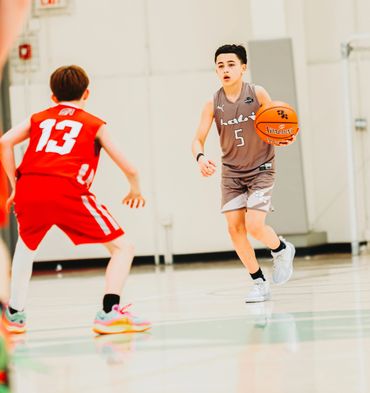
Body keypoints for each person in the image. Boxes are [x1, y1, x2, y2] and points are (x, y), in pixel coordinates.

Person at [0, 65, 150, 334]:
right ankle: (109, 313)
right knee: (123, 248)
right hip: (66, 188)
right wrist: (134, 188)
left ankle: (14, 314)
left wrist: (14, 185)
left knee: (26, 246)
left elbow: (5, 141)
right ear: (87, 94)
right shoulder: (94, 124)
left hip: (29, 187)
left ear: (53, 98)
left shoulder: (39, 118)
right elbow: (131, 168)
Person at [191, 44, 295, 303]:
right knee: (234, 229)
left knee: (254, 225)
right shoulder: (212, 103)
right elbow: (197, 139)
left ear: (243, 67)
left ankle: (281, 249)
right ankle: (259, 282)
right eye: (220, 66)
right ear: (216, 70)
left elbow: (279, 124)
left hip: (261, 168)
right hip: (232, 174)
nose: (225, 70)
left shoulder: (257, 93)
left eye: (231, 65)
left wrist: (284, 137)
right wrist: (200, 157)